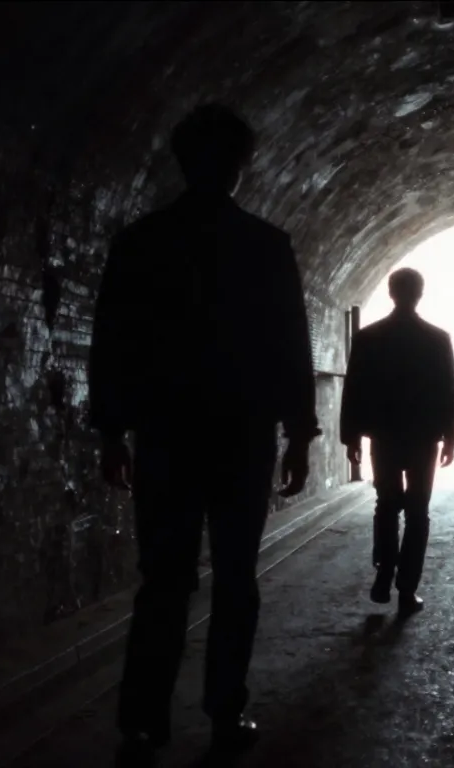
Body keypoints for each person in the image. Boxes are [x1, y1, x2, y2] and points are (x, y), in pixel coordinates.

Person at [88, 104, 319, 761]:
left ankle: (143, 722)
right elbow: (289, 346)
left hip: (165, 435)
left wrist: (112, 431)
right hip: (242, 435)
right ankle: (225, 711)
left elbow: (113, 342)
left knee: (163, 579)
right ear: (242, 166)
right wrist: (299, 435)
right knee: (237, 575)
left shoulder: (141, 242)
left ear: (182, 161)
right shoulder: (266, 246)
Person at [340, 268, 454, 614]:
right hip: (423, 436)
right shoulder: (437, 339)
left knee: (386, 504)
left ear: (391, 293)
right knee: (418, 511)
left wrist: (351, 437)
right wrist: (451, 437)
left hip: (385, 435)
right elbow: (448, 391)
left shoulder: (368, 337)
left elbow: (354, 389)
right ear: (419, 293)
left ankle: (383, 572)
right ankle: (407, 588)